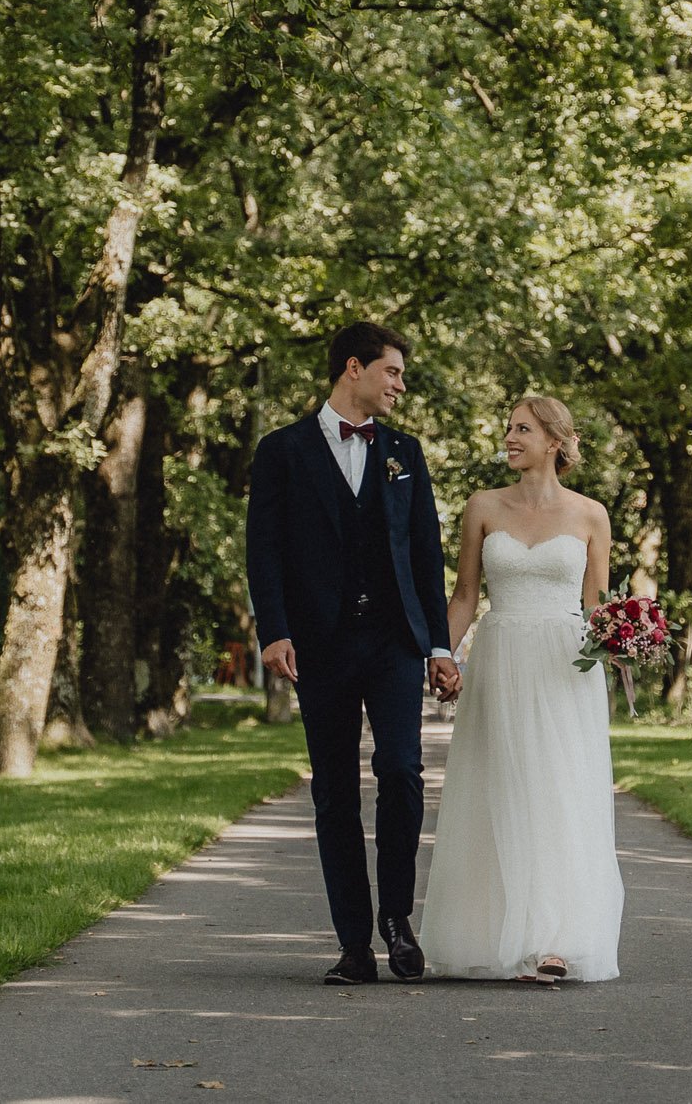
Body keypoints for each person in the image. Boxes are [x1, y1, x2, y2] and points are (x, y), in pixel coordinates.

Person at [244, 321, 459, 985]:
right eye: (391, 371)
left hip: (395, 639)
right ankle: (352, 945)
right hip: (320, 644)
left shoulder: (405, 453)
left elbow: (425, 552)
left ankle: (397, 921)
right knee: (335, 791)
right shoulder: (281, 451)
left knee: (401, 771)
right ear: (352, 369)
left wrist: (439, 644)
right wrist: (273, 630)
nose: (400, 384)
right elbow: (265, 550)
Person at [421, 395, 624, 983]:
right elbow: (464, 596)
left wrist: (624, 638)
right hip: (501, 656)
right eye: (509, 428)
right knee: (503, 787)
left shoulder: (591, 515)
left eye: (521, 429)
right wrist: (442, 655)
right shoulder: (482, 507)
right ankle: (500, 930)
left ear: (554, 442)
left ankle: (555, 940)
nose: (508, 437)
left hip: (566, 668)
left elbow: (596, 603)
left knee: (559, 791)